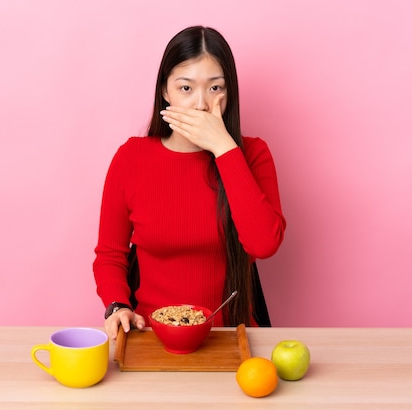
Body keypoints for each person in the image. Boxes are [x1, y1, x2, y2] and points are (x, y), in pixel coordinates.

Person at [93, 26, 285, 340]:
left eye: (214, 88)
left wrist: (224, 148)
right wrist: (117, 306)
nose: (200, 104)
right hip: (151, 336)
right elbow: (111, 254)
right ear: (165, 92)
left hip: (231, 337)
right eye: (185, 88)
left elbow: (264, 244)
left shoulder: (253, 154)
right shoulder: (131, 158)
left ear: (228, 93)